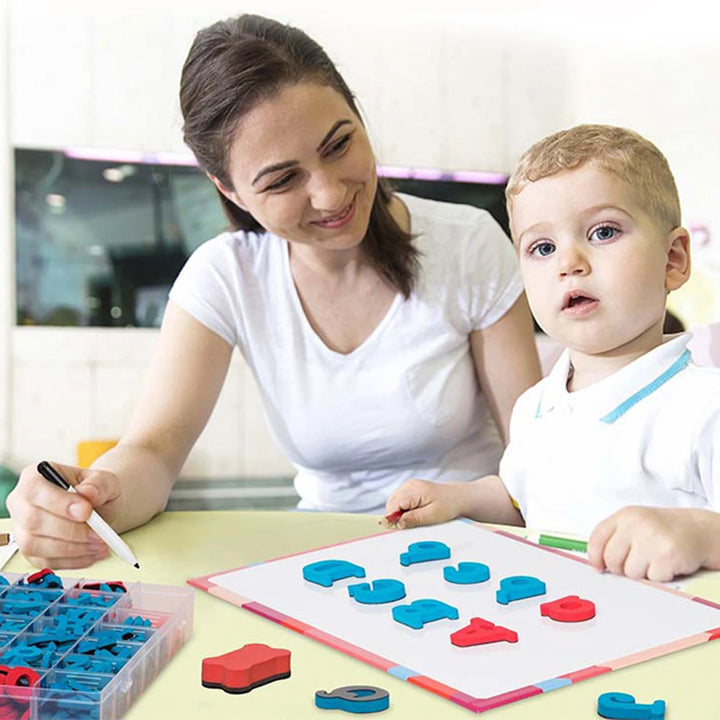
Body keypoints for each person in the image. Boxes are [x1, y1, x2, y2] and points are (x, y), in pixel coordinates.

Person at [7, 14, 540, 569]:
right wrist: (97, 498)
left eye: (339, 144)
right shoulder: (226, 275)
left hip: (473, 555)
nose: (331, 194)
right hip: (327, 563)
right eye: (283, 180)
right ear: (228, 188)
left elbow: (536, 451)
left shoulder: (469, 245)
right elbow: (154, 452)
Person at [385, 124, 720, 583]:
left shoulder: (704, 406)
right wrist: (459, 499)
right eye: (542, 247)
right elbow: (523, 500)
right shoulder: (535, 407)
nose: (569, 263)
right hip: (560, 634)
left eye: (603, 232)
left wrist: (700, 534)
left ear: (674, 259)